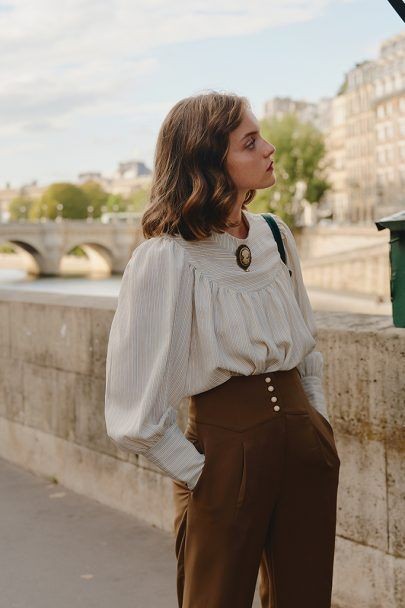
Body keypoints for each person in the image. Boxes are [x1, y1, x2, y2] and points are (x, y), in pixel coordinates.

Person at [104, 91, 340, 608]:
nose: (269, 148)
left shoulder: (276, 235)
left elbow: (307, 349)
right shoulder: (164, 257)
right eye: (250, 142)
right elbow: (131, 409)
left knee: (306, 598)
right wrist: (199, 473)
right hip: (223, 454)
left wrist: (317, 428)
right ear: (210, 161)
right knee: (214, 598)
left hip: (304, 447)